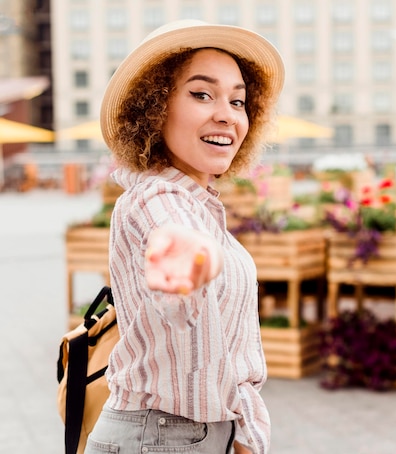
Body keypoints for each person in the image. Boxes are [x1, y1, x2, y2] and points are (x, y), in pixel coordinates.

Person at [85, 19, 284, 454]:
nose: (227, 114)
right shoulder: (155, 197)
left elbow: (226, 354)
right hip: (159, 438)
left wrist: (246, 433)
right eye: (201, 94)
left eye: (238, 100)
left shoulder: (199, 205)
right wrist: (188, 261)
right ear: (154, 108)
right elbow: (178, 280)